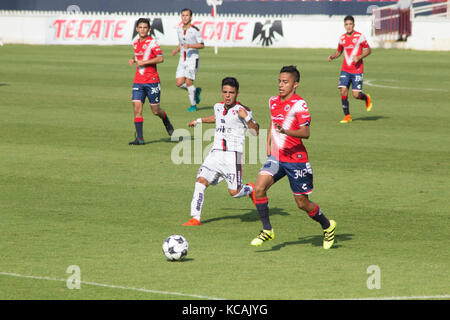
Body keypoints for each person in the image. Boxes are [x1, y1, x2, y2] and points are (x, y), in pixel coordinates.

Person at [250, 66, 336, 250]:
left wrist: (286, 131)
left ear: (295, 84)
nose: (281, 85)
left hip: (296, 159)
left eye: (285, 82)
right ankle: (267, 230)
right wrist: (268, 143)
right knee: (259, 189)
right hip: (277, 157)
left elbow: (306, 132)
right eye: (279, 81)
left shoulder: (300, 104)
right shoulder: (272, 101)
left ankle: (327, 225)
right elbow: (274, 122)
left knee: (302, 203)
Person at [182, 77, 259, 226]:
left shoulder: (243, 110)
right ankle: (195, 218)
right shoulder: (218, 106)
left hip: (232, 156)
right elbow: (217, 118)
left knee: (234, 193)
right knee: (200, 182)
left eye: (231, 92)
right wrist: (199, 120)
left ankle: (250, 189)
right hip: (215, 154)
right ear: (221, 92)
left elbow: (255, 131)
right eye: (225, 92)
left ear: (237, 93)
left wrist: (247, 117)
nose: (228, 95)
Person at [128, 18, 174, 145]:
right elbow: (139, 55)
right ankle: (140, 139)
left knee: (155, 111)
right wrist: (133, 59)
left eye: (145, 27)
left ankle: (166, 120)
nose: (142, 30)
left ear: (149, 29)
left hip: (152, 81)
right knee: (137, 109)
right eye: (140, 27)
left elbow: (160, 58)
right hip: (138, 81)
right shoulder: (135, 43)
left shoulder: (152, 43)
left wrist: (144, 62)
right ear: (137, 29)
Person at [328, 15, 372, 123]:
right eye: (346, 24)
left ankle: (366, 98)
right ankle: (347, 116)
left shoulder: (360, 36)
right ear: (344, 26)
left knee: (356, 95)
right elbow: (339, 51)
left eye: (350, 24)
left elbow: (368, 50)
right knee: (343, 91)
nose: (348, 26)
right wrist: (332, 57)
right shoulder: (342, 38)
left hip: (357, 70)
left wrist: (359, 57)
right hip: (345, 70)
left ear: (354, 25)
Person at [172, 8, 205, 112]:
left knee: (189, 82)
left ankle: (193, 105)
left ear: (191, 17)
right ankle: (195, 91)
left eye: (187, 15)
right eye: (183, 15)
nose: (184, 17)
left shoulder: (195, 30)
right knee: (179, 83)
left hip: (192, 59)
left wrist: (190, 45)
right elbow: (181, 43)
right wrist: (177, 49)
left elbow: (202, 45)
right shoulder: (179, 29)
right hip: (182, 59)